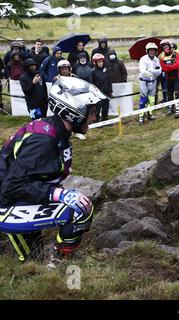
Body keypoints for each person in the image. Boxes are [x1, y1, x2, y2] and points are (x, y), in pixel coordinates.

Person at [0, 76, 106, 265]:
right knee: (80, 210)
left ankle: (51, 260)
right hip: (6, 202)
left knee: (35, 256)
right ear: (74, 111)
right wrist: (57, 194)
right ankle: (57, 263)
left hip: (20, 198)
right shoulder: (43, 141)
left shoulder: (57, 131)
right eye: (91, 111)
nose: (94, 117)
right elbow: (12, 186)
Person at [138, 42, 161, 124]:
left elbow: (159, 71)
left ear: (155, 51)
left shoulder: (156, 60)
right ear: (147, 51)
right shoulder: (143, 59)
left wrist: (151, 71)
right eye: (150, 50)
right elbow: (143, 72)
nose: (152, 52)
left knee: (151, 100)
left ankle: (150, 114)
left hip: (153, 81)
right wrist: (154, 72)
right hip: (144, 81)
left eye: (153, 50)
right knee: (143, 99)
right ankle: (141, 116)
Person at [159, 39, 179, 119]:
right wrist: (171, 66)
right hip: (169, 77)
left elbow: (178, 65)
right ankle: (171, 108)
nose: (166, 48)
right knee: (169, 93)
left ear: (169, 46)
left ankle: (178, 109)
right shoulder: (162, 57)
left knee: (176, 92)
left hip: (177, 77)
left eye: (166, 46)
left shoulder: (176, 54)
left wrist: (168, 67)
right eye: (163, 47)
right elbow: (164, 69)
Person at [90, 53, 112, 122]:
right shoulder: (93, 72)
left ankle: (105, 120)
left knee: (105, 107)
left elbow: (109, 81)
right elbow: (91, 83)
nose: (101, 63)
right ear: (95, 63)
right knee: (97, 108)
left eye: (102, 62)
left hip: (106, 92)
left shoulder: (106, 70)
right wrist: (94, 93)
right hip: (98, 94)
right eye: (99, 62)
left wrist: (110, 90)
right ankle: (96, 121)